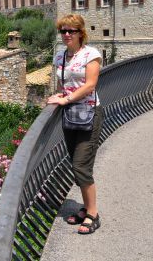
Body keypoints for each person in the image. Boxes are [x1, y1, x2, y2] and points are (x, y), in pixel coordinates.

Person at [47, 14, 103, 234]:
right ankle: (86, 207)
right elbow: (65, 84)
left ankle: (93, 214)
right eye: (63, 31)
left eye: (71, 31)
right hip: (70, 114)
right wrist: (58, 96)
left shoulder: (91, 54)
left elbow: (90, 85)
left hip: (90, 113)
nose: (67, 35)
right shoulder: (60, 56)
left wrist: (66, 98)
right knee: (75, 164)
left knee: (81, 165)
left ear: (81, 33)